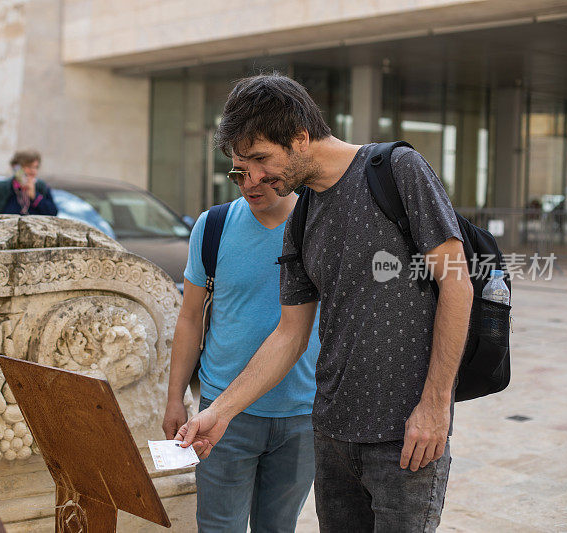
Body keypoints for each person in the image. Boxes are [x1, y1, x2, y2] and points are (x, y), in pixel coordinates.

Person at [176, 74, 473, 532]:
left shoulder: (396, 170)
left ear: (299, 136)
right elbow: (289, 335)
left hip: (406, 434)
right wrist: (219, 412)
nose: (251, 178)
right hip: (331, 434)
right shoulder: (304, 215)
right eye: (242, 166)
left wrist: (436, 406)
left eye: (260, 159)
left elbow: (457, 283)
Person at [163, 164, 321, 531]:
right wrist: (175, 397)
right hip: (222, 414)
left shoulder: (320, 225)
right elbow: (189, 319)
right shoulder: (212, 226)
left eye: (262, 175)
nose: (250, 185)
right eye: (239, 174)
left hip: (301, 414)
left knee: (278, 527)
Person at [0, 150, 58, 216]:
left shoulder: (42, 188)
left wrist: (34, 196)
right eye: (28, 167)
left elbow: (53, 213)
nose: (33, 171)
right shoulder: (1, 188)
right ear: (16, 168)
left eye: (35, 167)